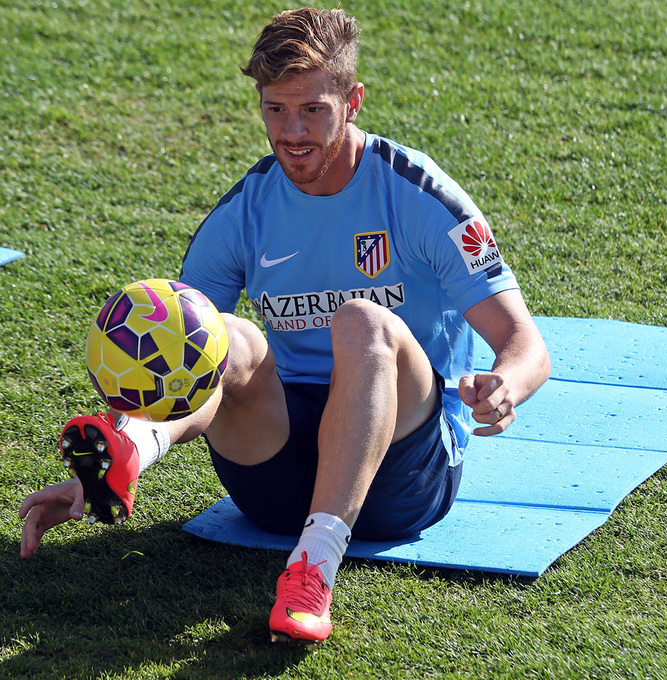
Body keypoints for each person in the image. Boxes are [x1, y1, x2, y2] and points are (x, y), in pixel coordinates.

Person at [18, 8, 550, 645]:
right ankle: (132, 452)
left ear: (352, 102)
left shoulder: (418, 195)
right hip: (275, 476)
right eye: (275, 110)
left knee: (363, 325)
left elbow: (526, 344)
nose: (292, 132)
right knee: (224, 333)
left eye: (313, 111)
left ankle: (312, 568)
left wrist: (505, 386)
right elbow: (182, 354)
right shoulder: (245, 210)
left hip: (401, 479)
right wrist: (101, 460)